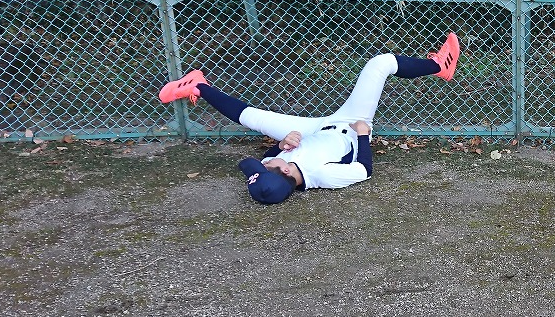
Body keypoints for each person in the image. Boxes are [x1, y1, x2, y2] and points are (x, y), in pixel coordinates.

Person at [157, 33, 459, 204]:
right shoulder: (322, 176)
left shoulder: (279, 166)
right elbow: (363, 171)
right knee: (380, 64)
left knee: (252, 118)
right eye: (266, 166)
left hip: (311, 131)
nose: (263, 162)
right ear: (287, 171)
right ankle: (439, 67)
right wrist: (363, 134)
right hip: (350, 124)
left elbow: (269, 158)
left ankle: (199, 85)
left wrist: (281, 146)